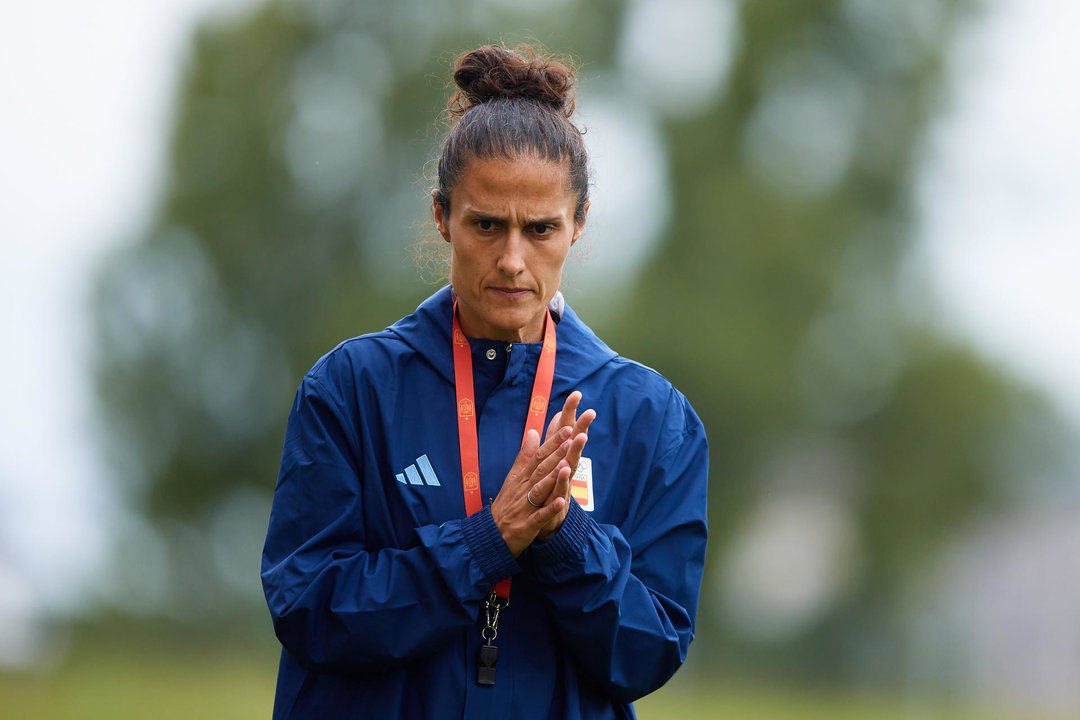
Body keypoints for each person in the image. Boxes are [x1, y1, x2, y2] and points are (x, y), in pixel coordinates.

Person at [261, 44, 708, 720]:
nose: (512, 259)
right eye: (487, 225)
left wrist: (564, 538)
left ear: (578, 226)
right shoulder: (351, 390)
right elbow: (309, 610)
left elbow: (649, 651)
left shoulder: (652, 419)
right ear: (444, 218)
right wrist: (485, 543)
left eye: (541, 229)